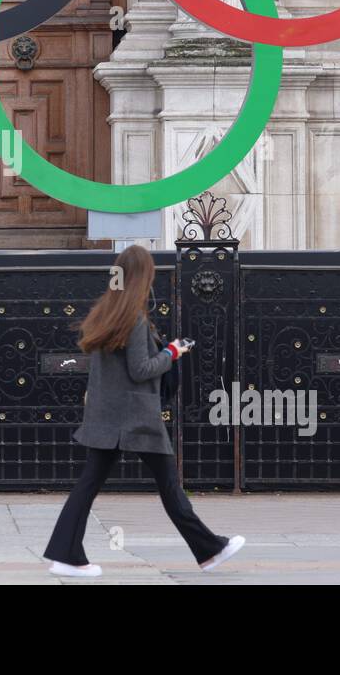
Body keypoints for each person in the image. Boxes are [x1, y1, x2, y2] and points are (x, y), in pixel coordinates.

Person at [43, 244, 245, 578]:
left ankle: (65, 554)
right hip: (136, 420)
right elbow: (141, 369)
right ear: (141, 278)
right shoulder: (133, 320)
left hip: (109, 418)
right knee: (168, 485)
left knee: (89, 486)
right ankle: (210, 549)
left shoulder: (105, 313)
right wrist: (173, 352)